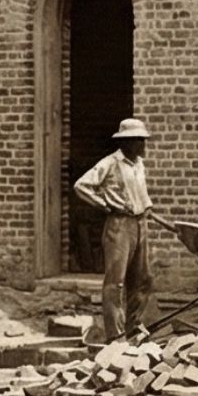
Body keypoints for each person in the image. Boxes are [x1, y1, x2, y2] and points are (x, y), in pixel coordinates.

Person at [73, 117, 155, 343]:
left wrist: (146, 210)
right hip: (119, 225)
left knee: (143, 278)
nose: (142, 145)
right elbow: (81, 185)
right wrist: (103, 204)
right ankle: (115, 335)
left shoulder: (139, 164)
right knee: (115, 282)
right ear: (126, 142)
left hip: (140, 223)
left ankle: (134, 328)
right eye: (138, 140)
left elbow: (141, 195)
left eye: (143, 140)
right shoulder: (109, 163)